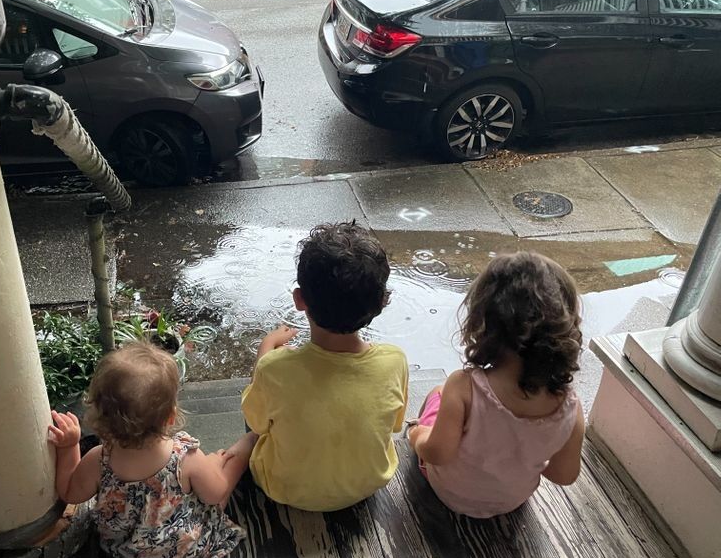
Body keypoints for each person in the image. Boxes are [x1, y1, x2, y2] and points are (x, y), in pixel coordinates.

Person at [223, 221, 409, 512]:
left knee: (259, 415)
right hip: (368, 483)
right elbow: (395, 425)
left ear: (299, 300)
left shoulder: (275, 369)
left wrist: (265, 353)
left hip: (285, 488)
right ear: (381, 303)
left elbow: (256, 420)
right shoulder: (394, 361)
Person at [47, 342, 247, 558]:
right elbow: (215, 495)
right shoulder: (184, 455)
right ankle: (252, 441)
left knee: (208, 472)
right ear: (171, 416)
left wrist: (69, 446)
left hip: (127, 551)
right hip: (183, 550)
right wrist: (213, 463)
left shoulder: (100, 459)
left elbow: (70, 493)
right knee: (230, 462)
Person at [409, 252, 585, 519]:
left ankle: (416, 425)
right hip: (510, 501)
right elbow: (563, 475)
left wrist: (417, 436)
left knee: (438, 393)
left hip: (449, 492)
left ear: (484, 324)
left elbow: (437, 453)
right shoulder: (570, 409)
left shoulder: (464, 387)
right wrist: (527, 451)